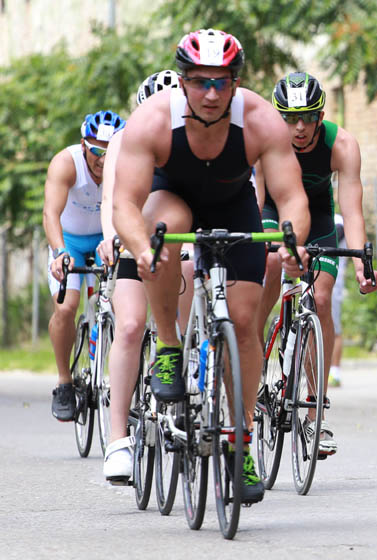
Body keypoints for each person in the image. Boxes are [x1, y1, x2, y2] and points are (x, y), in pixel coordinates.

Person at [111, 29, 310, 504]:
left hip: (232, 206)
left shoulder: (261, 120)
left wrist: (292, 243)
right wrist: (140, 247)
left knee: (243, 324)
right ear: (183, 81)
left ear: (236, 83)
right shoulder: (152, 121)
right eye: (201, 82)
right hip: (171, 201)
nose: (212, 93)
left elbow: (291, 198)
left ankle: (240, 442)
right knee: (163, 231)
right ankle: (170, 346)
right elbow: (124, 203)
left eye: (222, 82)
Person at [256, 71, 377, 457]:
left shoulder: (341, 144)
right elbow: (255, 198)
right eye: (290, 118)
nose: (298, 127)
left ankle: (315, 411)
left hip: (321, 219)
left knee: (322, 300)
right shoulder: (264, 140)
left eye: (308, 117)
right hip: (272, 210)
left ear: (321, 114)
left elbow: (351, 209)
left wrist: (361, 259)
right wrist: (274, 242)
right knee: (272, 262)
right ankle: (252, 351)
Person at [98, 70, 182, 483]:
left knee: (186, 322)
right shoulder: (124, 139)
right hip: (135, 238)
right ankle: (118, 440)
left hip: (177, 241)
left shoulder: (190, 135)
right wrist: (112, 239)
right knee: (130, 325)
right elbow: (113, 196)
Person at [45, 110, 126, 422]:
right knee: (67, 306)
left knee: (124, 306)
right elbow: (51, 213)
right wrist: (59, 252)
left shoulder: (127, 162)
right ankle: (64, 381)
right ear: (83, 146)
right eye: (96, 152)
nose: (103, 161)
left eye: (110, 152)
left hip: (108, 236)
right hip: (71, 241)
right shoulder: (66, 163)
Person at [329, 213, 347, 388]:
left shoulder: (338, 221)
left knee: (334, 325)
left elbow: (332, 238)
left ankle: (335, 371)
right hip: (310, 275)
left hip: (334, 280)